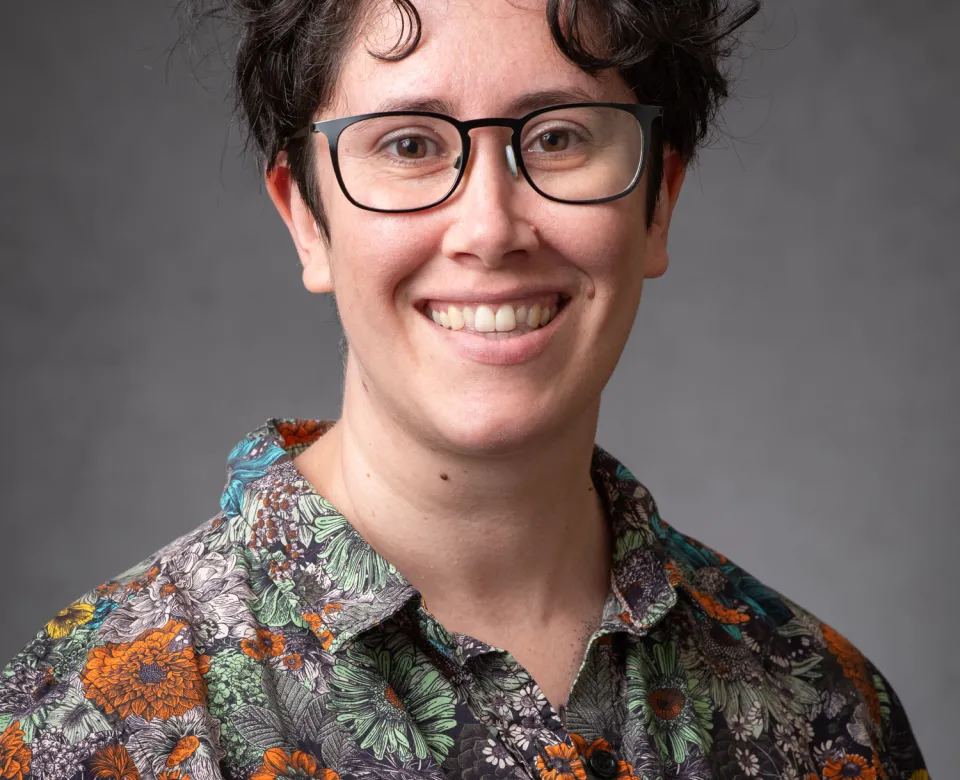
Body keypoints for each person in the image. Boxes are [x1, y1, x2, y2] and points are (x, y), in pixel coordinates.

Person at [0, 0, 929, 778]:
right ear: (306, 222)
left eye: (561, 136)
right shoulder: (97, 720)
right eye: (408, 144)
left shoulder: (824, 707)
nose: (490, 227)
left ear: (660, 203)